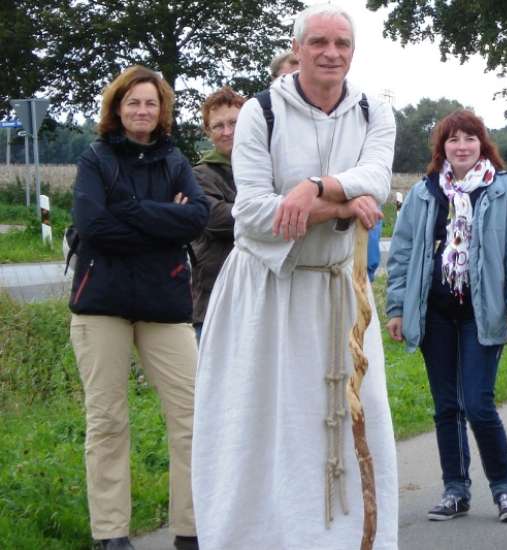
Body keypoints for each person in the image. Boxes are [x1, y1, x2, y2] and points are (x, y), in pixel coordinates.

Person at [191, 5, 399, 548]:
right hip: (267, 291)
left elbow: (375, 177)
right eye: (319, 42)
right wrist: (342, 205)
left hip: (339, 292)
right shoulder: (262, 111)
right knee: (263, 422)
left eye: (342, 44)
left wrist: (313, 186)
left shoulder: (375, 111)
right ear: (299, 47)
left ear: (353, 52)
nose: (331, 53)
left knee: (359, 417)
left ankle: (348, 537)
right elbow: (253, 215)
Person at [68, 65, 209, 550]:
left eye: (151, 103)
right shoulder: (95, 159)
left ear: (162, 109)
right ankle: (111, 534)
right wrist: (159, 224)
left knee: (192, 417)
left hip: (164, 304)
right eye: (133, 103)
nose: (142, 111)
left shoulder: (176, 161)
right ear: (117, 108)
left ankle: (190, 529)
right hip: (100, 303)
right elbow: (91, 225)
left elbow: (194, 219)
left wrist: (127, 208)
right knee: (107, 420)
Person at [385, 109, 507, 523]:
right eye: (453, 140)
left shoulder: (504, 190)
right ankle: (455, 490)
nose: (462, 146)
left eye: (470, 138)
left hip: (482, 312)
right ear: (443, 148)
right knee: (445, 407)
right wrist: (397, 306)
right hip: (434, 312)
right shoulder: (423, 194)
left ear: (482, 144)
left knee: (478, 403)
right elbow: (401, 254)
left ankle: (504, 489)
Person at [190, 86, 244, 341]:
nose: (227, 132)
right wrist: (270, 210)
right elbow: (216, 220)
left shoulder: (268, 168)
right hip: (213, 300)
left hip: (258, 299)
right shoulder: (200, 175)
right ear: (208, 132)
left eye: (234, 122)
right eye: (218, 126)